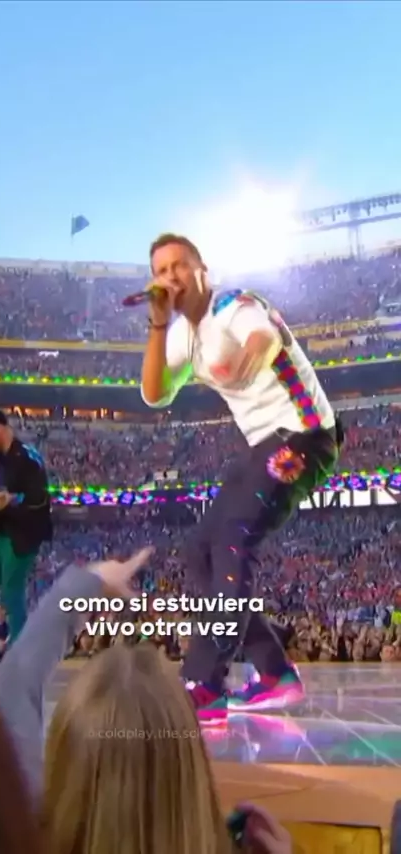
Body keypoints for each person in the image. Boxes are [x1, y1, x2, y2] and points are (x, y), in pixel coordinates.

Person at [140, 233, 341, 721]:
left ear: (202, 270)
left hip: (302, 434)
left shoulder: (233, 305)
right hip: (265, 444)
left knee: (233, 535)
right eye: (161, 271)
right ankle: (274, 673)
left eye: (179, 266)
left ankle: (204, 682)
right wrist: (158, 324)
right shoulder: (183, 335)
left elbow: (263, 337)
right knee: (200, 550)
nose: (171, 277)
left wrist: (247, 360)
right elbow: (154, 394)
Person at [0, 409, 53, 675]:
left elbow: (41, 498)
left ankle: (20, 654)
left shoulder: (28, 457)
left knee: (11, 592)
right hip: (0, 530)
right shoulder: (0, 461)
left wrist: (13, 500)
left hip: (23, 532)